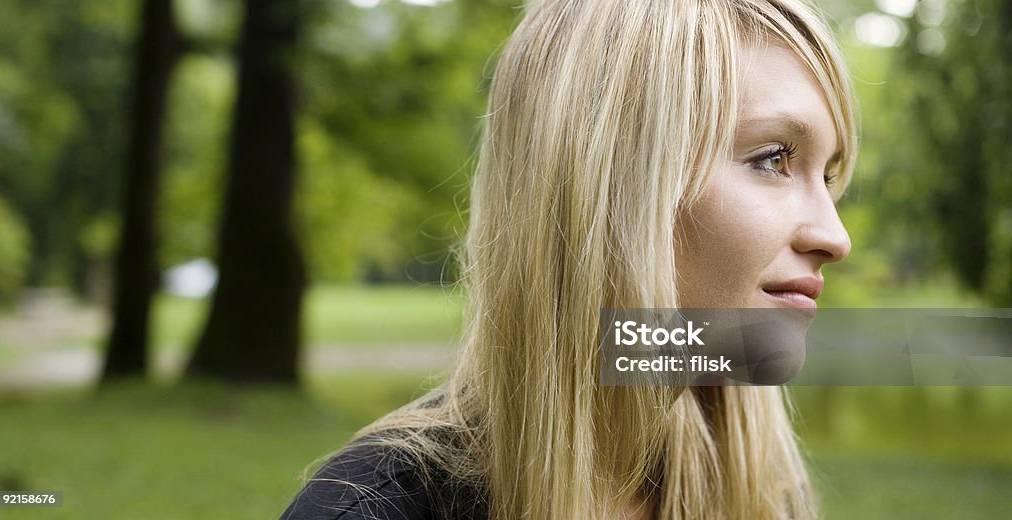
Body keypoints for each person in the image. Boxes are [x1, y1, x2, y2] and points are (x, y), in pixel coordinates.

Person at [281, 0, 855, 518]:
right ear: (609, 179)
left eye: (827, 177)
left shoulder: (759, 493)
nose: (835, 235)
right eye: (774, 158)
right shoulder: (370, 510)